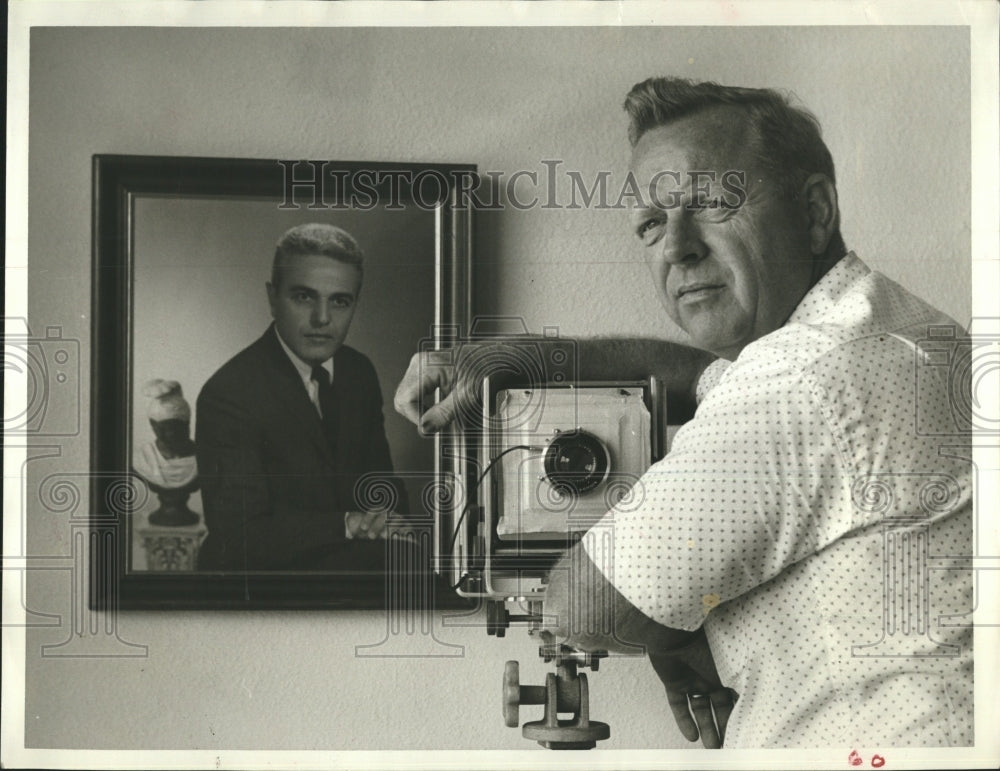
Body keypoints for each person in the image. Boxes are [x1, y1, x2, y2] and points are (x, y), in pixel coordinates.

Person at [394, 78, 972, 748]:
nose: (676, 246)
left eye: (712, 202)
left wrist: (668, 631)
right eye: (651, 223)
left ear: (814, 211)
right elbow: (704, 377)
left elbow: (584, 605)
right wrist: (520, 356)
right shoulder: (892, 331)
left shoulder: (803, 376)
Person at [196, 223, 408, 571]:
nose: (322, 319)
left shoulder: (359, 372)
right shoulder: (228, 394)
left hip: (351, 575)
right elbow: (238, 536)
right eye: (304, 297)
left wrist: (387, 513)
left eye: (339, 301)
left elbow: (381, 484)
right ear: (272, 298)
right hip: (263, 588)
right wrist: (348, 524)